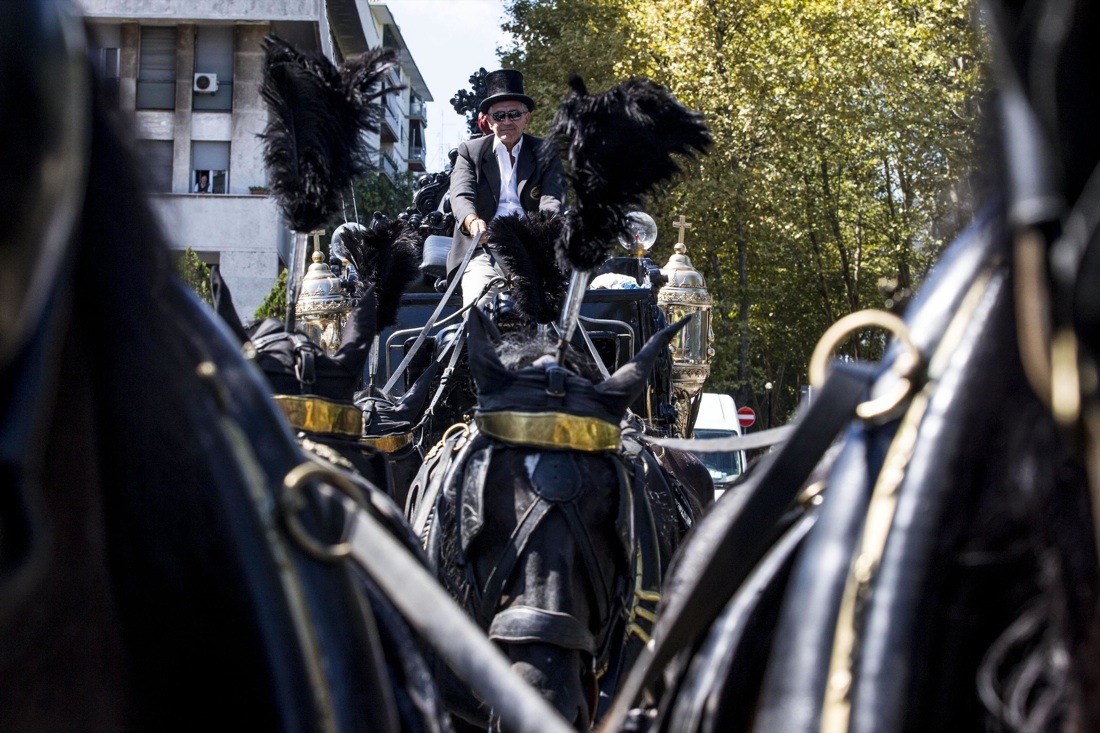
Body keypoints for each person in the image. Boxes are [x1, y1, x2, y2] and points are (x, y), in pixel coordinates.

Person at [447, 69, 565, 310]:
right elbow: (461, 195)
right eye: (499, 116)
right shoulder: (469, 152)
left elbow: (552, 199)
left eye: (514, 114)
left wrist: (543, 227)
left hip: (532, 248)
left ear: (526, 118)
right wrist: (472, 222)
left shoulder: (546, 153)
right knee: (476, 310)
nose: (507, 121)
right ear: (489, 121)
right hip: (482, 248)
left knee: (547, 310)